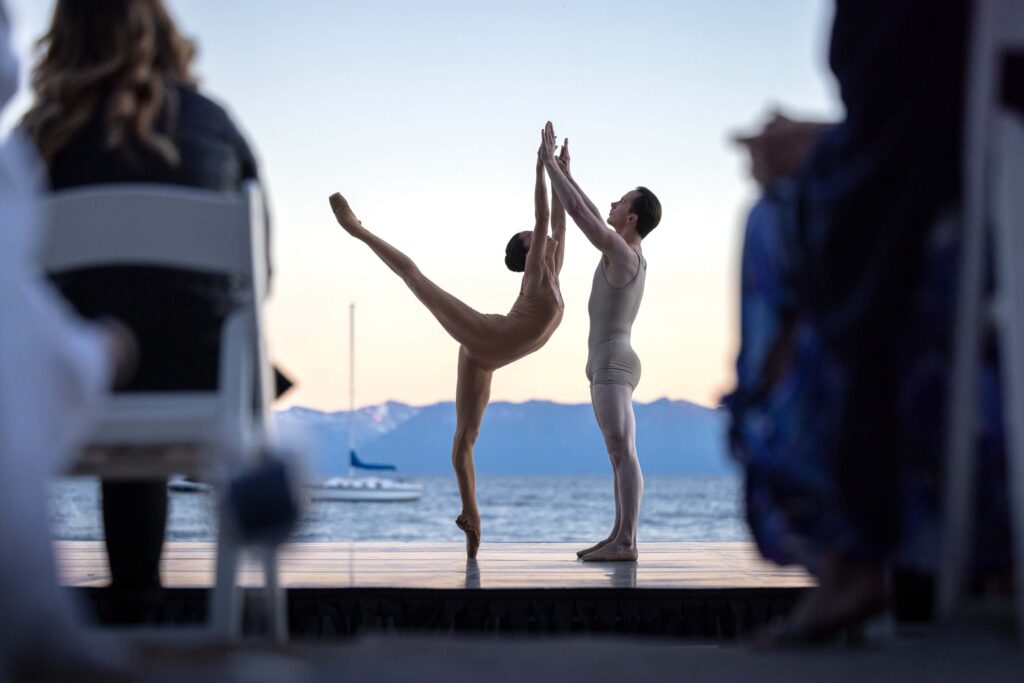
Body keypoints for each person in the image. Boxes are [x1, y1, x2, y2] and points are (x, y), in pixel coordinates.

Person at [723, 0, 1002, 641]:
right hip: (963, 184)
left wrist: (815, 152)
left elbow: (914, 109)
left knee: (775, 225)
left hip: (957, 217)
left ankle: (854, 545)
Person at [21, 0, 271, 610]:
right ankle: (229, 607)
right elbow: (259, 279)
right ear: (161, 33)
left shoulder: (34, 140)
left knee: (113, 335)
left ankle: (126, 595)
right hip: (203, 377)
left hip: (76, 380)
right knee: (180, 332)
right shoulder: (215, 126)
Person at [328, 133, 567, 558]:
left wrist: (563, 174)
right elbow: (545, 213)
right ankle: (356, 230)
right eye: (533, 234)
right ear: (528, 251)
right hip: (484, 336)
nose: (541, 233)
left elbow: (558, 220)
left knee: (463, 444)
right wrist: (541, 167)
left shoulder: (554, 267)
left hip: (486, 358)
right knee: (415, 278)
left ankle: (471, 517)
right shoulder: (536, 276)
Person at [0, 1, 131, 674]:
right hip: (181, 373)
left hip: (52, 366)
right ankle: (141, 600)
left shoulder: (29, 145)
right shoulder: (214, 127)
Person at [539, 122, 662, 562]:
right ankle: (619, 536)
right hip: (609, 360)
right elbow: (587, 209)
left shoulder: (624, 253)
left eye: (621, 201)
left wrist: (550, 165)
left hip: (613, 361)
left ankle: (627, 542)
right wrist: (566, 175)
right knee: (618, 452)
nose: (612, 202)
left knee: (622, 449)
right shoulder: (623, 250)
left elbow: (579, 214)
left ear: (631, 217)